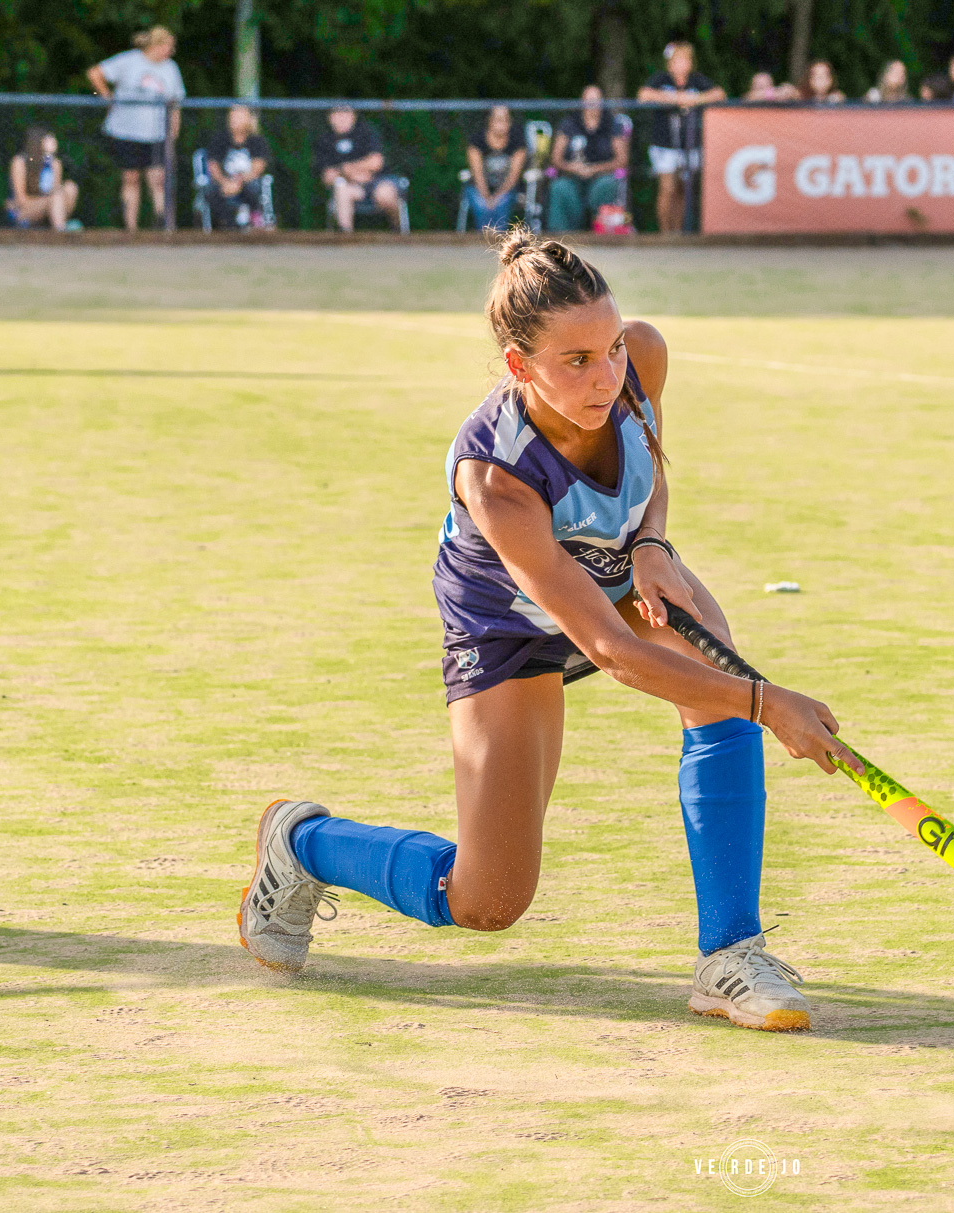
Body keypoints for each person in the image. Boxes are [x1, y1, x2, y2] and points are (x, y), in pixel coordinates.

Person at [238, 231, 856, 1033]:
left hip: (619, 576)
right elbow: (612, 652)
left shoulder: (642, 358)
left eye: (610, 350)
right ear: (518, 366)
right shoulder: (495, 476)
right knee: (487, 899)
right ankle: (304, 843)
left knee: (715, 668)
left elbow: (649, 464)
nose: (606, 377)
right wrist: (770, 702)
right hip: (508, 627)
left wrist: (653, 542)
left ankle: (731, 953)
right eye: (576, 363)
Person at [85, 26, 184, 233]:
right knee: (131, 178)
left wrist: (173, 133)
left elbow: (175, 104)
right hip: (126, 131)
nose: (171, 52)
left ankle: (162, 224)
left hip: (157, 133)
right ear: (156, 45)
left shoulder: (171, 68)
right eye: (168, 47)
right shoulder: (129, 61)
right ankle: (131, 229)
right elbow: (94, 73)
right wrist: (106, 97)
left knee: (158, 179)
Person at [637, 42, 726, 234]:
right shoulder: (661, 79)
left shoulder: (696, 81)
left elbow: (719, 94)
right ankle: (665, 232)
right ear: (670, 63)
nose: (682, 64)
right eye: (677, 60)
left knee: (682, 190)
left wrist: (694, 99)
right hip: (664, 143)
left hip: (689, 144)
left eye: (685, 60)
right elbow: (643, 95)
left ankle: (678, 233)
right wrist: (675, 99)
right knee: (667, 188)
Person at [548, 85, 630, 232]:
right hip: (572, 176)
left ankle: (600, 231)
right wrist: (572, 167)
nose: (592, 104)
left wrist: (594, 169)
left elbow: (622, 159)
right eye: (589, 100)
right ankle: (561, 235)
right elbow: (555, 158)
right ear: (582, 102)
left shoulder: (612, 123)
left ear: (602, 102)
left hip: (601, 176)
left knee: (607, 184)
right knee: (559, 187)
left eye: (596, 100)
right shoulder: (569, 123)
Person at [315, 106, 404, 233]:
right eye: (337, 114)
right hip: (353, 187)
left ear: (353, 115)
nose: (341, 118)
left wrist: (348, 168)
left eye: (345, 113)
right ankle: (345, 238)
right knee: (341, 189)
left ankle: (398, 230)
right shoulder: (325, 140)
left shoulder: (365, 132)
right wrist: (349, 173)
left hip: (378, 181)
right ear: (330, 117)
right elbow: (327, 177)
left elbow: (376, 162)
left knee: (385, 193)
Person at [203, 105, 271, 229]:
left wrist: (238, 182)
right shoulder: (220, 139)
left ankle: (254, 222)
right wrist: (225, 182)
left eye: (238, 116)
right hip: (224, 182)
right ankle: (230, 225)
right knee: (210, 192)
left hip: (247, 182)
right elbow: (213, 166)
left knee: (253, 188)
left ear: (248, 119)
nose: (234, 120)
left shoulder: (256, 141)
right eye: (232, 116)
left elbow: (258, 168)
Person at [466, 105, 528, 232]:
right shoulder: (477, 141)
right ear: (490, 121)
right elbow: (477, 174)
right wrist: (487, 197)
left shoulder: (518, 142)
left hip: (507, 189)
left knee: (501, 204)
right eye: (499, 119)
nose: (503, 124)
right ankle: (483, 242)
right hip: (479, 188)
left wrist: (496, 197)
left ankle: (499, 245)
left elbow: (513, 177)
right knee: (482, 205)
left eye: (506, 119)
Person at [6, 125, 79, 231]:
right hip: (23, 211)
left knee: (70, 187)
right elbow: (20, 200)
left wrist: (51, 201)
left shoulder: (55, 163)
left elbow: (55, 192)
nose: (54, 141)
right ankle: (61, 233)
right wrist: (47, 201)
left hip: (48, 209)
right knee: (56, 198)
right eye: (49, 138)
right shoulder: (20, 162)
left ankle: (59, 226)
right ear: (38, 141)